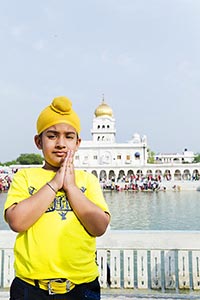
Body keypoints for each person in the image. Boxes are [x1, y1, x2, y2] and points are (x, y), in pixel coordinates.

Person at [4, 96, 110, 300]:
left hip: (81, 287)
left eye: (69, 137)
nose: (61, 144)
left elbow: (99, 227)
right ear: (38, 141)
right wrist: (54, 184)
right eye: (52, 136)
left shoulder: (87, 181)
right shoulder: (25, 177)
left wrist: (70, 187)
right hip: (31, 287)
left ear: (78, 143)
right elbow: (17, 221)